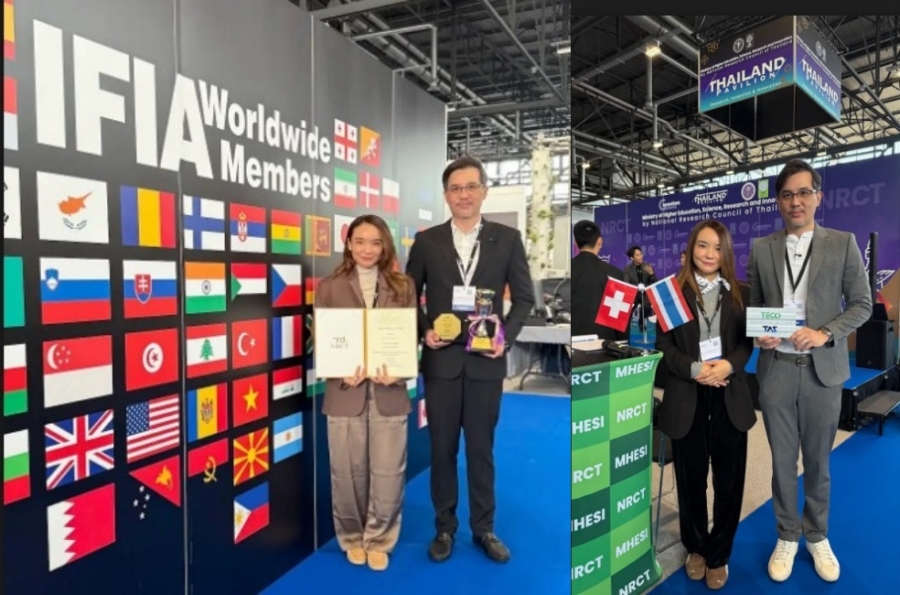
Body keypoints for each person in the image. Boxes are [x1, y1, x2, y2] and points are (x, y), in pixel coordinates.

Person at [747, 159, 871, 584]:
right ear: (778, 202)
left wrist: (825, 333)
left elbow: (862, 305)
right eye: (787, 194)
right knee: (782, 463)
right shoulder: (762, 248)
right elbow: (756, 305)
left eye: (803, 192)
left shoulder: (842, 243)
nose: (795, 201)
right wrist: (762, 333)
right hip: (776, 371)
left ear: (818, 196)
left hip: (823, 372)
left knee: (818, 462)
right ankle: (787, 534)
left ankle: (817, 535)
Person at [406, 155, 534, 564]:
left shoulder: (507, 239)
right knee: (441, 449)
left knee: (481, 450)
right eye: (455, 188)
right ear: (446, 195)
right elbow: (408, 294)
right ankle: (444, 527)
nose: (463, 194)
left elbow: (525, 297)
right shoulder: (427, 242)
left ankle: (484, 528)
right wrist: (423, 330)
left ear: (484, 191)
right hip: (441, 364)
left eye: (470, 187)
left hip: (485, 363)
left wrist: (505, 338)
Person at [314, 214, 418, 572]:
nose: (367, 249)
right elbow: (322, 341)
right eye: (360, 241)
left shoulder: (403, 286)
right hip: (345, 392)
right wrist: (338, 368)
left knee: (388, 472)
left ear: (385, 246)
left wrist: (399, 370)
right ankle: (351, 537)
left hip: (389, 393)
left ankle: (380, 539)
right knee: (346, 472)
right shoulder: (329, 287)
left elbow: (408, 339)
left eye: (375, 242)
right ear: (348, 244)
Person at [655, 220, 756, 590]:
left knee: (729, 484)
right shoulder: (671, 291)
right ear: (690, 248)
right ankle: (696, 548)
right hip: (687, 395)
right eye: (702, 245)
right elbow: (665, 346)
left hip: (730, 395)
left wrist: (728, 365)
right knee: (691, 481)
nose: (709, 254)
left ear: (726, 251)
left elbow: (746, 343)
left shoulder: (742, 293)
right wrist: (696, 369)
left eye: (717, 247)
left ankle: (719, 554)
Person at [571, 220, 627, 342]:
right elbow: (619, 318)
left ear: (575, 242)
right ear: (599, 241)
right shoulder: (615, 274)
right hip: (604, 344)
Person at [623, 246, 657, 331]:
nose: (641, 256)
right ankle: (625, 327)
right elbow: (626, 283)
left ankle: (641, 321)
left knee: (647, 306)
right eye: (637, 255)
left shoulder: (648, 266)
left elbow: (655, 282)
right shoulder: (627, 269)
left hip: (645, 293)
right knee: (628, 309)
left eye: (641, 254)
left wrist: (651, 274)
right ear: (632, 258)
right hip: (633, 292)